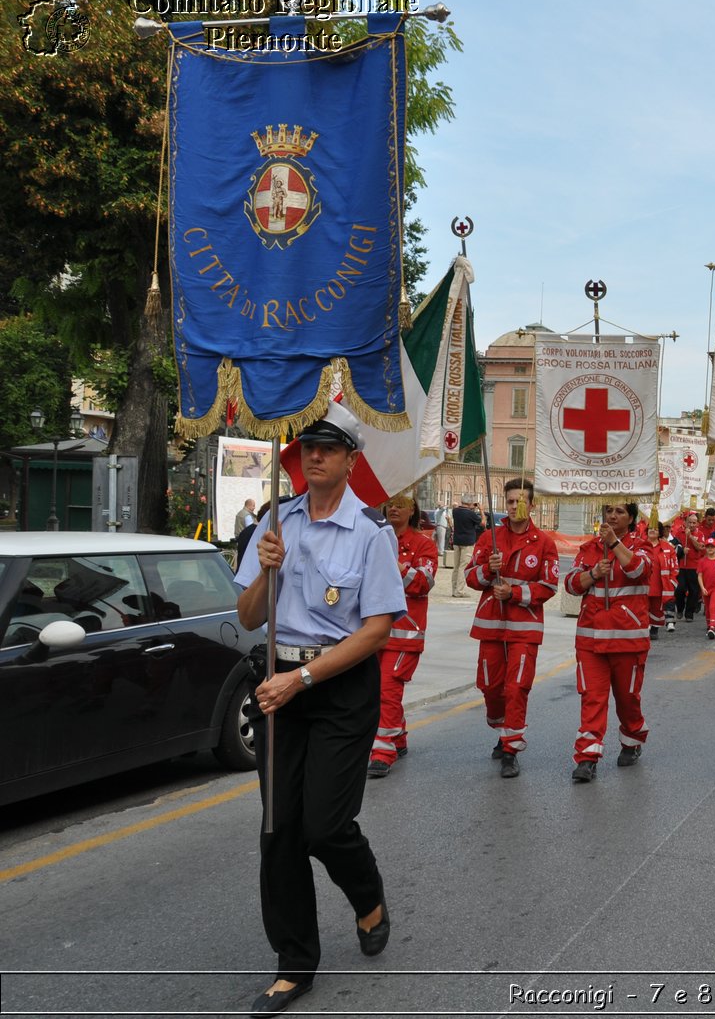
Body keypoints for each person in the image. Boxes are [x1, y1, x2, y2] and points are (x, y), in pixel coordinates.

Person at [233, 419, 405, 1018]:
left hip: (337, 688)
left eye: (329, 449)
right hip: (281, 686)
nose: (315, 458)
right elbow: (250, 614)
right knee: (278, 829)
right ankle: (294, 964)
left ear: (351, 459)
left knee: (324, 827)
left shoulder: (369, 531)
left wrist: (303, 677)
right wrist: (265, 568)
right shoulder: (275, 521)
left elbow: (378, 628)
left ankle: (368, 895)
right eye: (308, 448)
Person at [466, 479, 560, 778]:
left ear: (532, 505)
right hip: (491, 625)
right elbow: (470, 577)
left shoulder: (544, 543)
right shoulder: (488, 538)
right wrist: (486, 569)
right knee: (491, 686)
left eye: (521, 501)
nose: (514, 506)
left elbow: (549, 585)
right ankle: (501, 726)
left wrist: (516, 595)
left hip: (524, 627)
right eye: (509, 501)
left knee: (517, 686)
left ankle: (510, 748)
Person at [564, 503, 653, 783]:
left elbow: (640, 571)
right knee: (592, 697)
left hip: (628, 639)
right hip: (590, 639)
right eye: (609, 511)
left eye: (620, 512)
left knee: (627, 699)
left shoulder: (641, 545)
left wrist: (613, 544)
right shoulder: (589, 547)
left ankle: (632, 737)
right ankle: (587, 757)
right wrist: (592, 575)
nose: (612, 516)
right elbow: (570, 584)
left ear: (631, 518)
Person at [367, 495, 438, 779]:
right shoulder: (374, 540)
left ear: (412, 511)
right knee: (375, 689)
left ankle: (383, 751)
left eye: (400, 504)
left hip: (405, 633)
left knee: (387, 687)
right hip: (372, 632)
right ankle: (398, 736)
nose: (394, 508)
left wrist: (397, 567)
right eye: (390, 504)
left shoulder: (424, 545)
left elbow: (423, 584)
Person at [645, 521, 679, 638]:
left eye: (655, 528)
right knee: (642, 607)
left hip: (660, 585)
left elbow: (675, 567)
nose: (652, 530)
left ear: (660, 531)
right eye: (650, 528)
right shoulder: (640, 546)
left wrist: (672, 582)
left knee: (657, 609)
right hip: (644, 584)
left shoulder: (668, 547)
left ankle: (654, 628)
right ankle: (644, 628)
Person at [450, 499, 483, 596]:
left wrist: (471, 507)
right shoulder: (471, 514)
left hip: (457, 541)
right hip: (467, 542)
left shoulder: (455, 511)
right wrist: (481, 510)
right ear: (469, 503)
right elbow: (483, 523)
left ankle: (454, 589)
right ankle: (459, 591)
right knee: (463, 567)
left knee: (456, 567)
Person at [697, 537, 715, 640]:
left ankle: (712, 627)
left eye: (712, 547)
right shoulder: (702, 561)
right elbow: (699, 575)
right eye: (708, 547)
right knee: (708, 609)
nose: (710, 549)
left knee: (713, 607)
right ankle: (709, 626)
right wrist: (702, 587)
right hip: (706, 588)